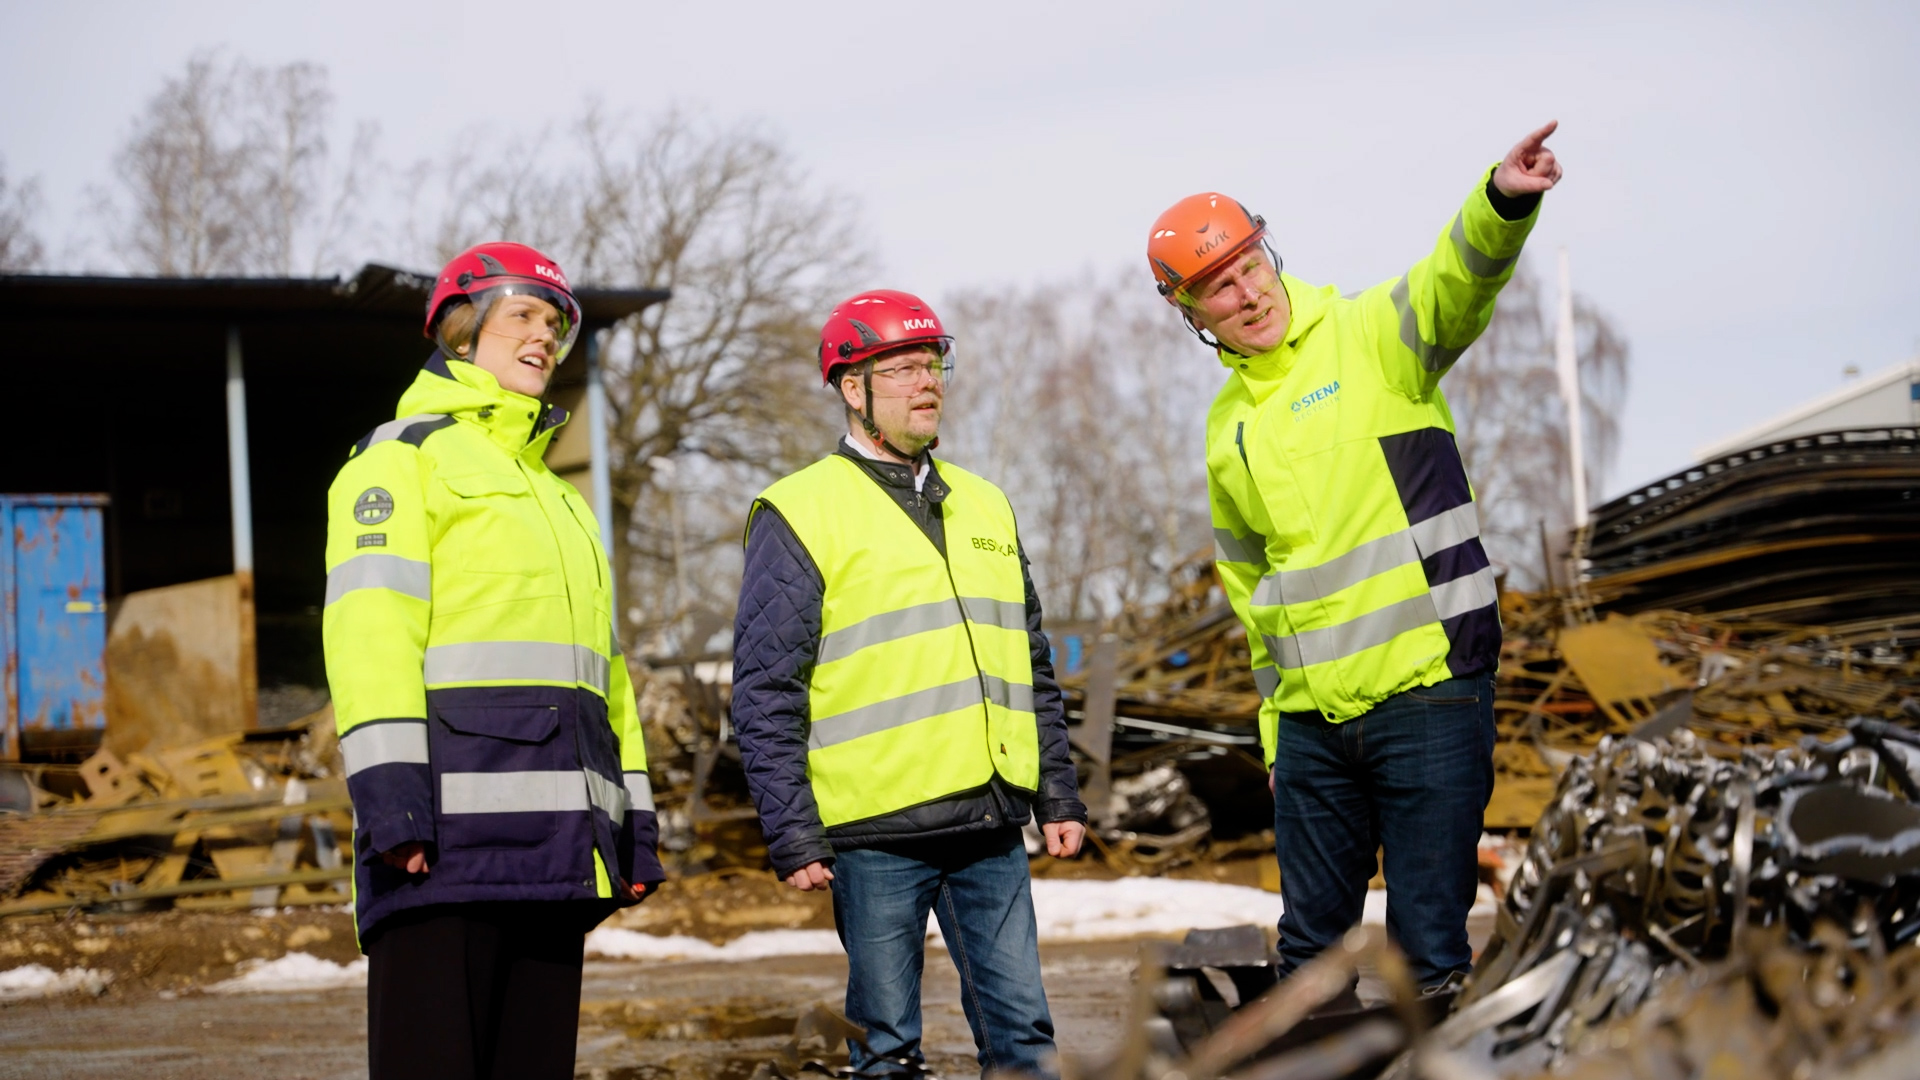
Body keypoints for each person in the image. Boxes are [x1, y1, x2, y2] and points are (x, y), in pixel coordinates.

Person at [1144, 123, 1564, 992]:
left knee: (1428, 956)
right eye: (1220, 289)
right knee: (1309, 960)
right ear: (1191, 314)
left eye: (1252, 267)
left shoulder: (1373, 337)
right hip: (1311, 731)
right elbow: (1254, 594)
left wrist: (1499, 203)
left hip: (1430, 696)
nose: (1248, 295)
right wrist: (1276, 733)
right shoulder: (1228, 429)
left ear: (1271, 254)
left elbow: (1456, 280)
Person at [323, 241, 665, 1079]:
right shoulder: (399, 459)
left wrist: (636, 823)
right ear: (461, 330)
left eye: (557, 325)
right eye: (525, 316)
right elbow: (371, 632)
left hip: (558, 854)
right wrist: (392, 803)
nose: (545, 336)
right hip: (442, 849)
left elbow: (607, 676)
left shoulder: (561, 500)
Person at [731, 289, 1088, 1078]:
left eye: (933, 365)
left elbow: (1029, 666)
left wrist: (1058, 794)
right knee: (886, 1052)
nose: (926, 382)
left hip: (990, 823)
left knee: (1026, 1044)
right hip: (874, 836)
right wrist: (792, 832)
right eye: (901, 369)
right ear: (851, 388)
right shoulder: (800, 511)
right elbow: (765, 689)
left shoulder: (985, 504)